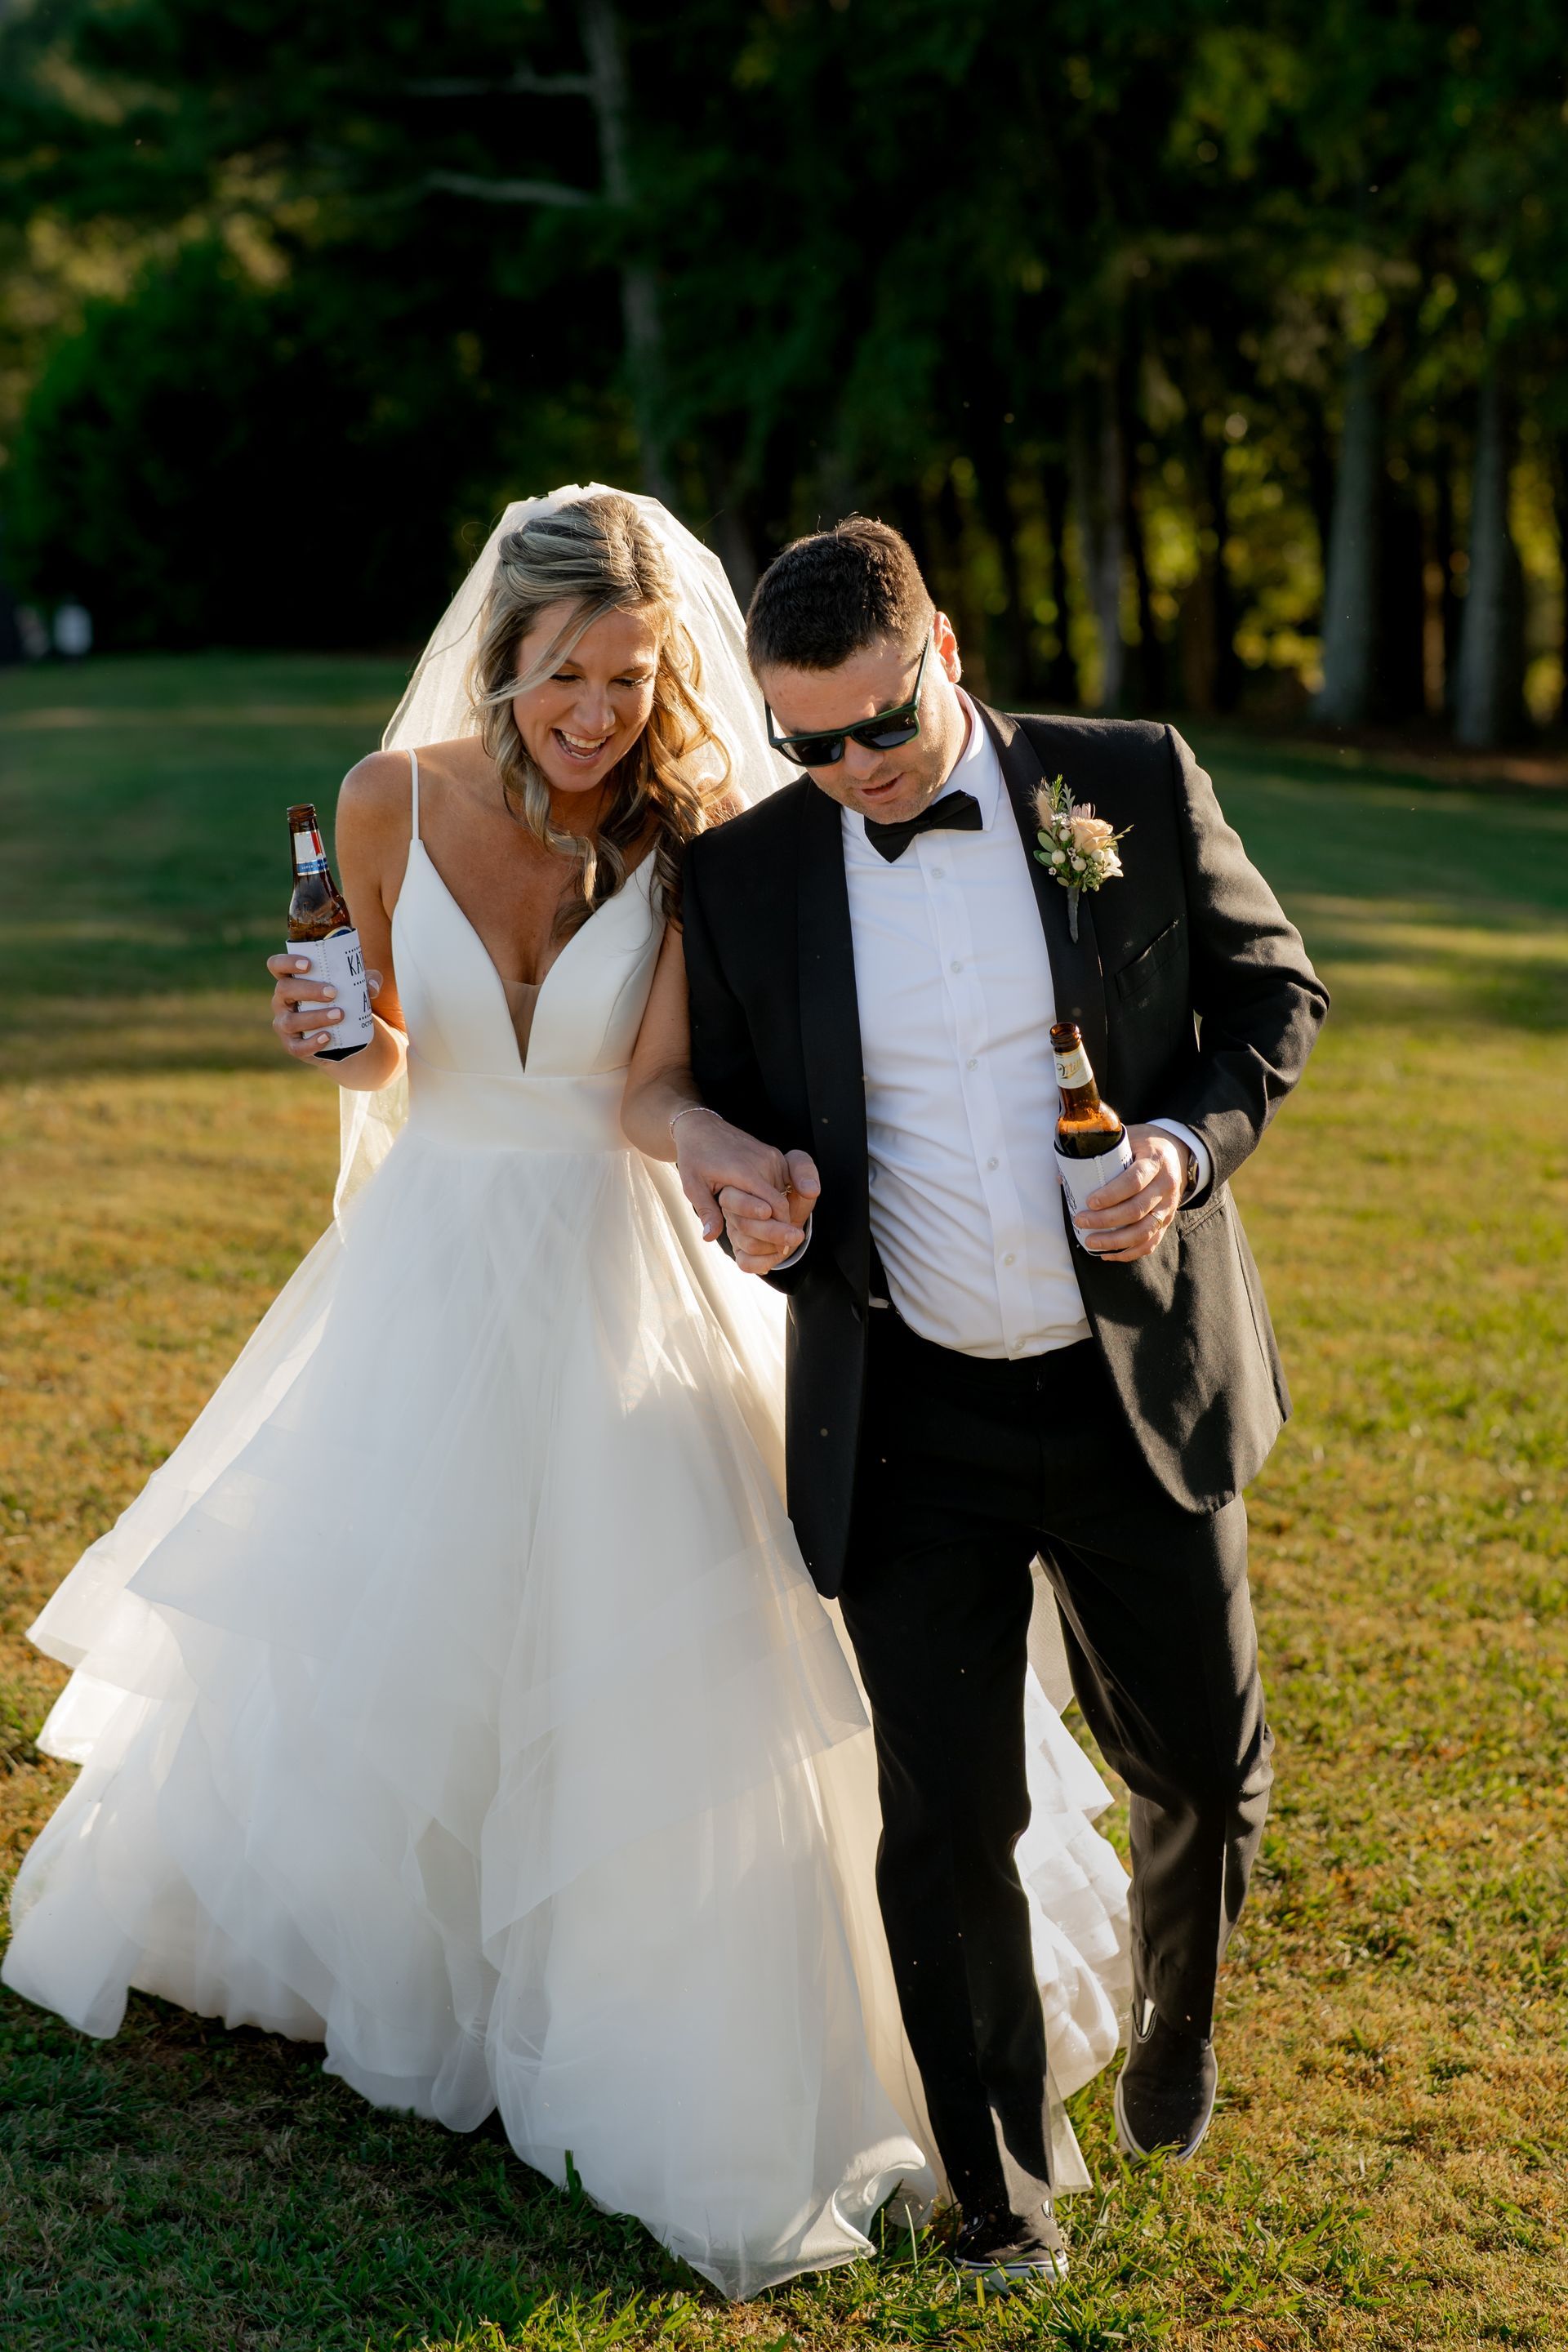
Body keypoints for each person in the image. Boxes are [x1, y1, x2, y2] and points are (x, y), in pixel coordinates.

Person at [3, 488, 1130, 2296]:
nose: (597, 712)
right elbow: (377, 1037)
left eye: (627, 674)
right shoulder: (385, 804)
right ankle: (413, 1959)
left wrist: (736, 1164)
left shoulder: (695, 829)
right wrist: (330, 1035)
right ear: (500, 656)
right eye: (562, 678)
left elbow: (656, 1085)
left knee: (670, 1648)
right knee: (412, 1622)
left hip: (626, 1273)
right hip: (433, 1264)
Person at [656, 517, 1328, 2283]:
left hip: (1132, 1395)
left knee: (1203, 1769)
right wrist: (760, 1209)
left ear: (941, 645)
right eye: (809, 744)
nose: (856, 772)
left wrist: (1182, 1150)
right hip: (912, 1416)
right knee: (946, 1824)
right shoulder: (743, 881)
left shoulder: (1131, 781)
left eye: (881, 726)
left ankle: (1178, 2020)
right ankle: (1000, 2193)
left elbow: (1274, 995)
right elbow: (733, 1137)